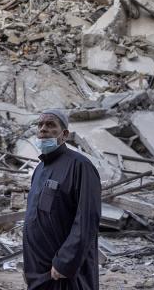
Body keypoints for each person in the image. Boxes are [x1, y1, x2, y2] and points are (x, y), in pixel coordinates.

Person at [23, 109, 101, 289]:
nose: (43, 129)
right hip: (39, 270)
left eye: (50, 125)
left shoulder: (80, 166)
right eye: (40, 125)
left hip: (63, 272)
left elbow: (87, 220)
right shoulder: (40, 169)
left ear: (64, 134)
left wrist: (65, 261)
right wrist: (29, 267)